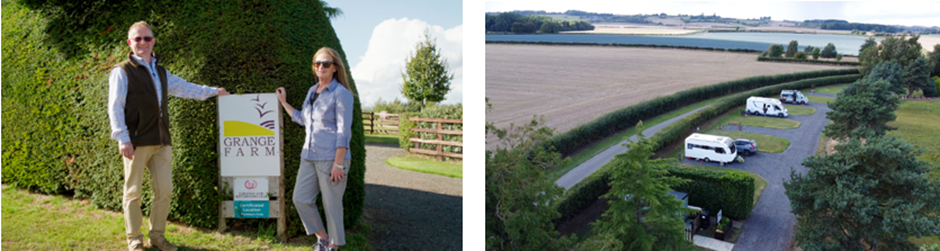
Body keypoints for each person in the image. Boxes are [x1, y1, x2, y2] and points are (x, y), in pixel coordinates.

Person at [107, 21, 230, 251]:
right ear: (129, 43)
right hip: (135, 142)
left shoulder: (161, 72)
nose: (142, 43)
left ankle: (157, 237)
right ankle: (134, 240)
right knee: (133, 193)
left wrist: (214, 91)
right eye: (137, 39)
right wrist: (122, 138)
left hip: (162, 142)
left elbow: (186, 88)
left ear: (153, 42)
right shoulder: (121, 71)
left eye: (146, 38)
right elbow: (115, 106)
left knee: (165, 191)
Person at [275, 47, 354, 251]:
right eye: (317, 63)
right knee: (300, 199)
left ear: (335, 68)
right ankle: (323, 239)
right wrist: (284, 102)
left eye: (326, 64)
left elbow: (343, 132)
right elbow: (303, 119)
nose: (321, 67)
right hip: (308, 156)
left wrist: (338, 163)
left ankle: (333, 248)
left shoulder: (341, 94)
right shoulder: (312, 91)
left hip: (331, 158)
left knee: (332, 206)